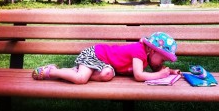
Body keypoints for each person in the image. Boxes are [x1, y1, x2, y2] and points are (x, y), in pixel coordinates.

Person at [32, 31, 181, 84]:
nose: (161, 63)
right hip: (95, 54)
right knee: (81, 79)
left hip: (105, 64)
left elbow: (156, 66)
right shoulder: (139, 51)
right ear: (152, 51)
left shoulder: (148, 55)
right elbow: (138, 75)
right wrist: (159, 75)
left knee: (107, 74)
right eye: (162, 59)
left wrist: (170, 72)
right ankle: (52, 71)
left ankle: (74, 71)